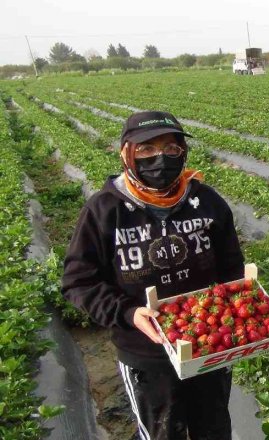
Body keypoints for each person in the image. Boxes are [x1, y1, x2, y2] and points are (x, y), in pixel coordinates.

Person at [62, 111, 245, 440]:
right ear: (127, 153)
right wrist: (128, 313)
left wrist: (234, 308)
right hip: (147, 354)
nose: (160, 157)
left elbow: (232, 266)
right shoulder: (105, 211)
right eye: (146, 149)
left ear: (182, 153)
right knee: (162, 433)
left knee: (214, 428)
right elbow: (79, 282)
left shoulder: (206, 202)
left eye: (170, 148)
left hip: (208, 348)